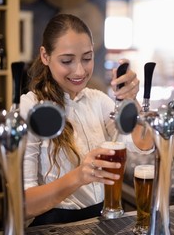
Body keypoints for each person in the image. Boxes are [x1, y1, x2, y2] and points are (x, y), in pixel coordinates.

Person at [19, 14, 153, 226]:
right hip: (54, 224)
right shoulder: (31, 107)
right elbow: (24, 206)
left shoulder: (97, 100)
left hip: (100, 220)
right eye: (67, 61)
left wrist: (132, 100)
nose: (80, 70)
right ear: (45, 56)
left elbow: (143, 145)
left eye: (87, 58)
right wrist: (79, 176)